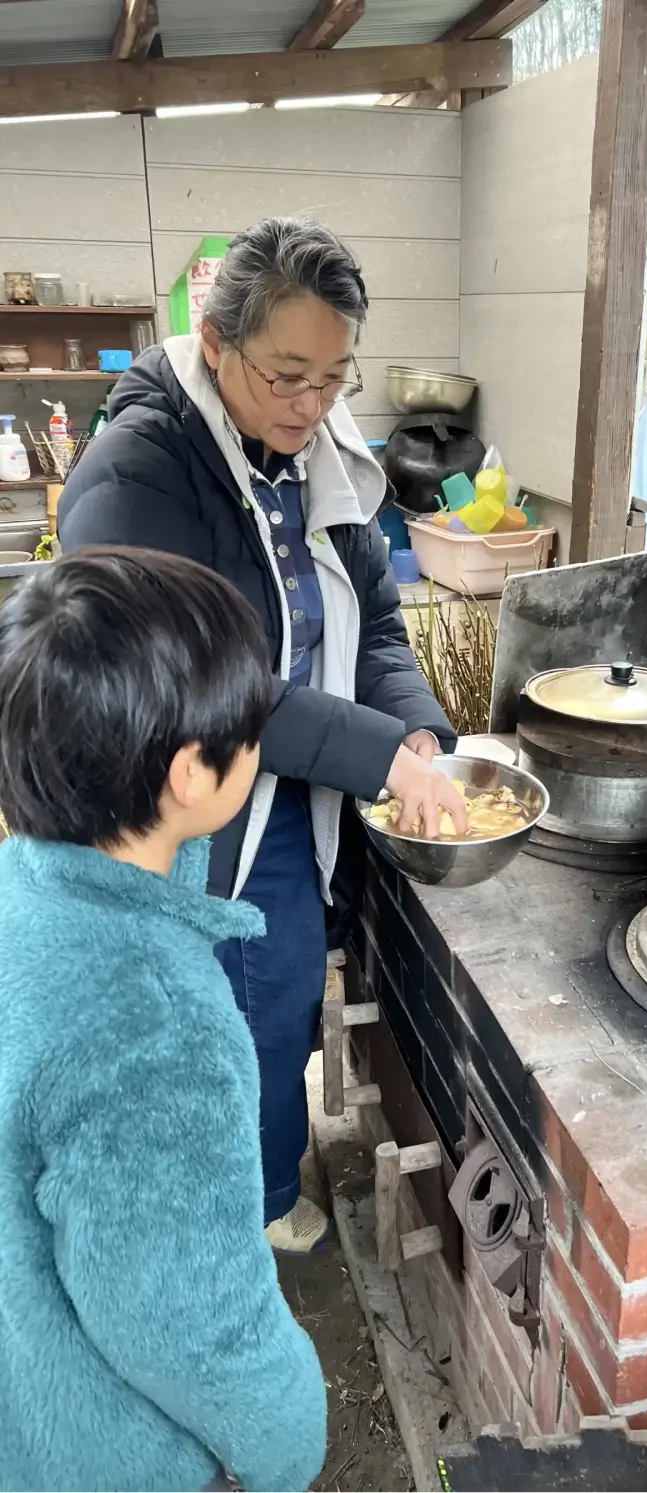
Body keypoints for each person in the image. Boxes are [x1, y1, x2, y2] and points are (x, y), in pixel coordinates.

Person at [59, 217, 467, 1253]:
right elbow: (204, 687)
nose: (311, 405)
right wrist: (374, 752)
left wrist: (414, 733)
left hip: (287, 784)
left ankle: (254, 1188)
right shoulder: (140, 469)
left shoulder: (317, 453)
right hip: (176, 806)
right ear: (214, 342)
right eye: (287, 375)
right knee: (217, 1020)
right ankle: (234, 1218)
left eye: (334, 379)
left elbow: (370, 621)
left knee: (274, 1003)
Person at [0, 549, 327, 1493]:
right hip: (113, 1457)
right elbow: (187, 1319)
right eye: (250, 725)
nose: (259, 740)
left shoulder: (27, 884)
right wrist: (287, 1439)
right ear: (191, 774)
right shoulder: (154, 1025)